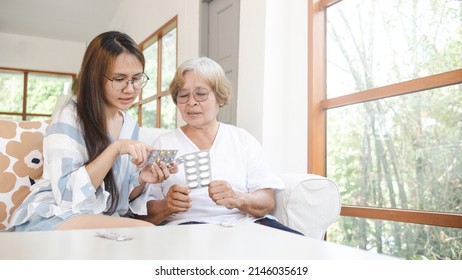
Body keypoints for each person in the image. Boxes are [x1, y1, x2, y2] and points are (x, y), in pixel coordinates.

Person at [9, 31, 176, 232]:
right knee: (142, 230)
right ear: (95, 77)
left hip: (96, 216)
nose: (130, 89)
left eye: (136, 78)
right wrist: (115, 148)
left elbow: (118, 199)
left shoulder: (130, 125)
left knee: (142, 232)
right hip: (54, 214)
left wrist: (142, 180)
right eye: (119, 79)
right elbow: (66, 196)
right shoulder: (70, 117)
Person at [136, 57, 302, 235]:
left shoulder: (242, 140)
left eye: (201, 94)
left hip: (245, 225)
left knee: (304, 250)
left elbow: (267, 202)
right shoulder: (163, 144)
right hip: (188, 228)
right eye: (183, 95)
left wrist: (238, 198)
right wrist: (166, 206)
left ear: (220, 99)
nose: (191, 102)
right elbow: (141, 214)